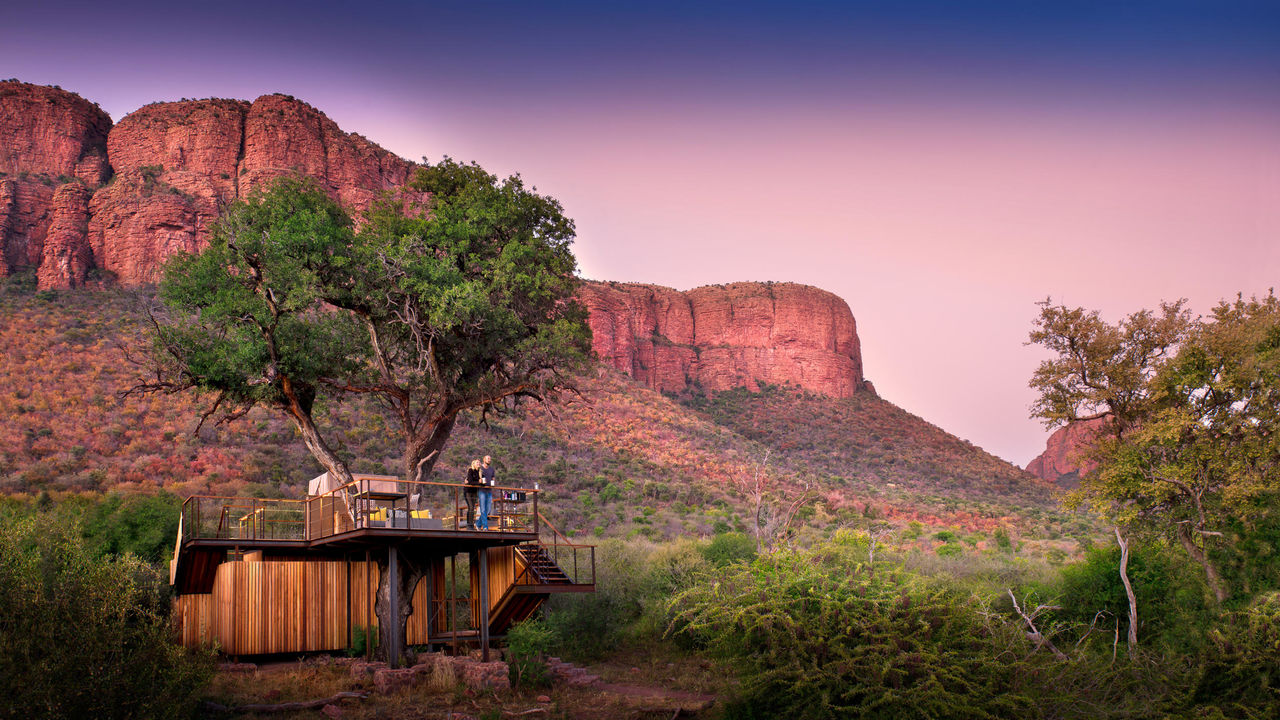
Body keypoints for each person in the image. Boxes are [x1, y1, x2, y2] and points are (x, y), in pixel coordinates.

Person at [478, 455, 496, 530]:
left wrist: (493, 483)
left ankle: (478, 524)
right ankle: (485, 526)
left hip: (489, 490)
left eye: (490, 459)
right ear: (484, 459)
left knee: (488, 509)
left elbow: (493, 478)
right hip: (482, 490)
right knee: (483, 509)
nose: (489, 460)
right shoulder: (480, 468)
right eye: (488, 459)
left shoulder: (491, 469)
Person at [464, 459, 482, 530]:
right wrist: (479, 482)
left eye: (479, 462)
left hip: (474, 492)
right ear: (473, 464)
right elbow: (470, 481)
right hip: (468, 491)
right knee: (470, 507)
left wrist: (481, 483)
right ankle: (469, 524)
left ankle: (471, 523)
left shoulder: (480, 472)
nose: (478, 463)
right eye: (477, 462)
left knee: (473, 508)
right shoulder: (470, 470)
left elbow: (481, 483)